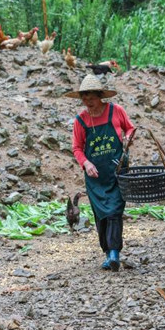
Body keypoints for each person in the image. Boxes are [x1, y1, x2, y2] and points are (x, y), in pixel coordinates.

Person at [65, 74, 135, 272]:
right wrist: (86, 163)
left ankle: (114, 253)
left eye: (92, 99)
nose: (89, 103)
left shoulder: (116, 111)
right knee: (101, 215)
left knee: (114, 211)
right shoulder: (81, 120)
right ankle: (107, 253)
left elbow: (130, 129)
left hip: (117, 171)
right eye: (85, 100)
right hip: (95, 176)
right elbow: (77, 148)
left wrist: (128, 139)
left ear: (100, 97)